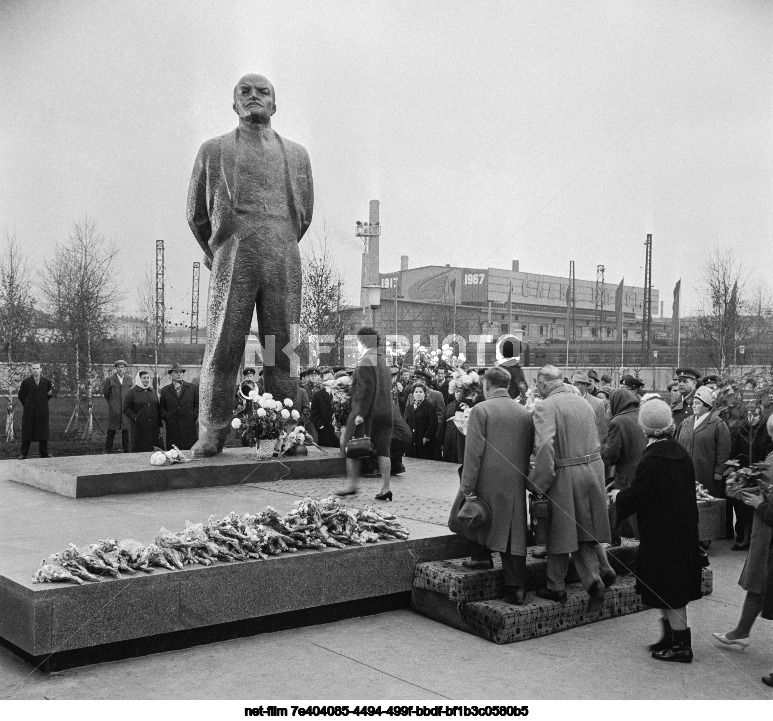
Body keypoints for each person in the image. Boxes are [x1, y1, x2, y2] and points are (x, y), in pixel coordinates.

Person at [187, 73, 313, 457]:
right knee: (225, 347)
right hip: (235, 255)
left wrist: (278, 240)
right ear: (235, 103)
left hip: (282, 258)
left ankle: (287, 433)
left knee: (283, 351)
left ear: (275, 105)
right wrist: (220, 251)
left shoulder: (297, 154)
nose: (254, 96)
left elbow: (304, 214)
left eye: (263, 92)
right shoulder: (214, 150)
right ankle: (212, 431)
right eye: (246, 91)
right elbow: (196, 215)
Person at [610, 398, 702, 663]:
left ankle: (681, 646)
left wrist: (619, 497)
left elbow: (641, 495)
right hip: (680, 532)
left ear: (645, 427)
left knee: (671, 590)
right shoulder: (679, 453)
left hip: (662, 535)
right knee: (667, 586)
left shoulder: (652, 459)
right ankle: (670, 638)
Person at [528, 365, 615, 611]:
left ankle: (562, 585)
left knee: (561, 529)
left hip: (567, 473)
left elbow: (546, 448)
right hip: (593, 469)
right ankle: (594, 575)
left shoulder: (546, 406)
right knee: (585, 528)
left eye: (537, 386)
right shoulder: (584, 403)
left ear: (543, 384)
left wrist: (538, 483)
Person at [457, 367, 534, 604]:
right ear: (508, 385)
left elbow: (473, 454)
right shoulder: (524, 413)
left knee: (475, 514)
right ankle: (516, 587)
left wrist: (467, 485)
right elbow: (530, 448)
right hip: (515, 481)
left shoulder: (481, 410)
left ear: (487, 385)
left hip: (486, 481)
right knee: (513, 531)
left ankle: (480, 556)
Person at [713, 413, 773, 657]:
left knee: (760, 579)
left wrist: (758, 502)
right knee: (758, 580)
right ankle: (740, 631)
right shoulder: (770, 457)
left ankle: (740, 631)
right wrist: (740, 485)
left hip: (769, 528)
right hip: (764, 526)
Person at [335, 327, 393, 500]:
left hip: (368, 413)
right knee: (383, 450)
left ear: (362, 342)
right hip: (385, 412)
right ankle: (386, 488)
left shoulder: (365, 361)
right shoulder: (382, 360)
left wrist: (360, 413)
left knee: (350, 445)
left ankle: (352, 486)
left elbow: (366, 389)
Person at [602, 388, 647, 545]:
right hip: (645, 472)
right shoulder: (642, 415)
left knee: (618, 510)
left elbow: (610, 455)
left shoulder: (618, 421)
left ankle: (614, 541)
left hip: (626, 476)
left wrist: (602, 446)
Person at [675, 384, 731, 508]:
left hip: (706, 474)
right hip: (685, 473)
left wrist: (719, 471)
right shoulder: (686, 422)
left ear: (707, 406)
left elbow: (724, 449)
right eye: (693, 403)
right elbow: (676, 444)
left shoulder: (718, 424)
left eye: (698, 403)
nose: (693, 406)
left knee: (706, 506)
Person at [729, 404, 772, 550]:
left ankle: (755, 540)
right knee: (743, 509)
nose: (751, 417)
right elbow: (734, 452)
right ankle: (745, 537)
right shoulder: (741, 431)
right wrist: (738, 471)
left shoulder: (764, 434)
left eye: (755, 414)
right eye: (748, 414)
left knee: (759, 507)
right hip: (745, 473)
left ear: (761, 417)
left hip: (761, 474)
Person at [159, 363, 199, 451]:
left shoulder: (192, 388)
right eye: (176, 372)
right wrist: (167, 416)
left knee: (189, 451)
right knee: (174, 452)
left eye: (180, 372)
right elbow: (162, 407)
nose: (179, 374)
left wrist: (193, 415)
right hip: (172, 426)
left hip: (188, 425)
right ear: (170, 375)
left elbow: (197, 404)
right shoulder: (165, 390)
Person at [18, 363, 53, 459]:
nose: (35, 370)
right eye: (33, 368)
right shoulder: (26, 382)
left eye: (37, 368)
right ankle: (23, 454)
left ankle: (44, 453)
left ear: (41, 369)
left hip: (42, 411)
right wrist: (27, 405)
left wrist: (41, 404)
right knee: (27, 432)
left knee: (43, 431)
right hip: (29, 411)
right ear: (31, 370)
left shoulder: (47, 382)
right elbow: (21, 395)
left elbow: (48, 395)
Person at [123, 370, 162, 452]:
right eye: (144, 378)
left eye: (148, 378)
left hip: (153, 426)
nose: (146, 380)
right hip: (139, 427)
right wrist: (135, 417)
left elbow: (157, 407)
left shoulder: (152, 391)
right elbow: (126, 408)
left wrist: (159, 423)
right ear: (139, 379)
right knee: (140, 448)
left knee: (154, 449)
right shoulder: (132, 393)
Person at [102, 359, 132, 453]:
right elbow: (106, 393)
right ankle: (108, 450)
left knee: (126, 430)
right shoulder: (110, 379)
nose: (120, 369)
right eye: (118, 367)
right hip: (114, 409)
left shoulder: (128, 379)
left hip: (125, 409)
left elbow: (130, 393)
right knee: (111, 430)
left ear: (125, 369)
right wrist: (112, 403)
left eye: (122, 367)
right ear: (116, 368)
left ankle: (127, 450)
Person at [572, 371, 609, 443]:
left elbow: (601, 430)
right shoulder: (568, 402)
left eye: (577, 384)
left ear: (585, 386)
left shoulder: (598, 403)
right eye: (573, 384)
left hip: (590, 446)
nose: (574, 387)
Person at [405, 385, 438, 460]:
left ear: (424, 394)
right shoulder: (410, 407)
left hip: (424, 445)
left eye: (420, 392)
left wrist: (426, 438)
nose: (418, 394)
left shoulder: (430, 407)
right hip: (412, 443)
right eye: (416, 392)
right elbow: (406, 423)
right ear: (413, 394)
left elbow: (433, 424)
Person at [310, 369, 338, 448]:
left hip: (339, 431)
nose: (328, 382)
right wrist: (321, 427)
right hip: (325, 432)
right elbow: (314, 414)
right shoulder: (318, 396)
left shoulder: (341, 393)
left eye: (330, 379)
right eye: (325, 380)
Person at [443, 386, 465, 463]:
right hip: (449, 438)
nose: (458, 394)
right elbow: (444, 423)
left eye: (460, 392)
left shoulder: (467, 405)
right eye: (456, 391)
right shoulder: (449, 406)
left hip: (461, 438)